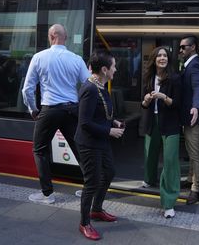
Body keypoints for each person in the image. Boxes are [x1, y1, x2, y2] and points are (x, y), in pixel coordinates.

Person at [22, 24, 90, 204]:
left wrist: (33, 109)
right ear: (65, 37)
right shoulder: (76, 59)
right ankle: (89, 189)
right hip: (72, 109)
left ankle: (47, 194)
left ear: (51, 36)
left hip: (50, 110)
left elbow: (27, 89)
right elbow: (88, 86)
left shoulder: (39, 57)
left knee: (39, 150)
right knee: (79, 148)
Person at [74, 50, 125, 240]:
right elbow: (85, 122)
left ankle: (96, 210)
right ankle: (84, 222)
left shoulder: (101, 85)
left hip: (100, 140)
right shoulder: (89, 89)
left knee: (109, 172)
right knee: (92, 181)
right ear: (104, 69)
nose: (116, 69)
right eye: (113, 66)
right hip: (88, 143)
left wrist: (113, 122)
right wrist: (109, 131)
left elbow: (101, 113)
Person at [141, 46, 181, 218]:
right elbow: (142, 104)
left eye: (165, 55)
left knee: (170, 161)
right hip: (152, 122)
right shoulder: (148, 77)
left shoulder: (175, 78)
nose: (162, 58)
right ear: (154, 59)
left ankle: (169, 203)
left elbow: (178, 103)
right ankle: (149, 179)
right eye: (159, 55)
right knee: (150, 153)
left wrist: (163, 97)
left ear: (168, 59)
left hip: (171, 124)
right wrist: (147, 99)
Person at [179, 35, 199, 205]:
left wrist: (196, 106)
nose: (180, 50)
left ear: (193, 47)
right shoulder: (189, 64)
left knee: (195, 154)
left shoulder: (195, 65)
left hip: (193, 118)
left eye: (183, 47)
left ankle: (195, 189)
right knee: (190, 151)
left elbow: (198, 86)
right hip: (187, 118)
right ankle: (190, 178)